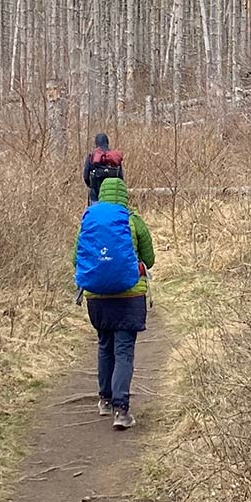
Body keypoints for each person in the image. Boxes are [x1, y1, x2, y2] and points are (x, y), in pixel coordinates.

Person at [73, 177, 155, 430]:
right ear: (124, 195)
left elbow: (76, 259)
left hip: (96, 297)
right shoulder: (133, 220)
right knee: (123, 351)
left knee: (104, 345)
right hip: (129, 296)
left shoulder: (89, 220)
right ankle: (121, 411)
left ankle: (104, 400)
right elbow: (149, 260)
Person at [83, 132, 125, 204]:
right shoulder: (114, 158)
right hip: (113, 195)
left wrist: (90, 185)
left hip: (95, 194)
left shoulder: (92, 157)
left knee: (95, 213)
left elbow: (85, 176)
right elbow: (120, 177)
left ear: (96, 143)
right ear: (107, 142)